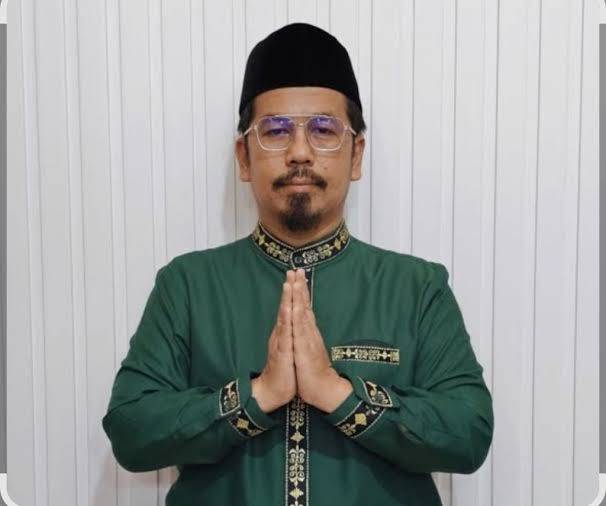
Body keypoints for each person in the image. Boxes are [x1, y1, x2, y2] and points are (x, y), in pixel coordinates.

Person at [102, 22, 494, 506]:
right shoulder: (187, 285)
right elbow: (131, 430)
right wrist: (258, 395)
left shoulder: (417, 288)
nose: (300, 152)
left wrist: (338, 393)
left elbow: (469, 432)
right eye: (276, 131)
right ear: (244, 158)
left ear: (356, 155)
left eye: (324, 130)